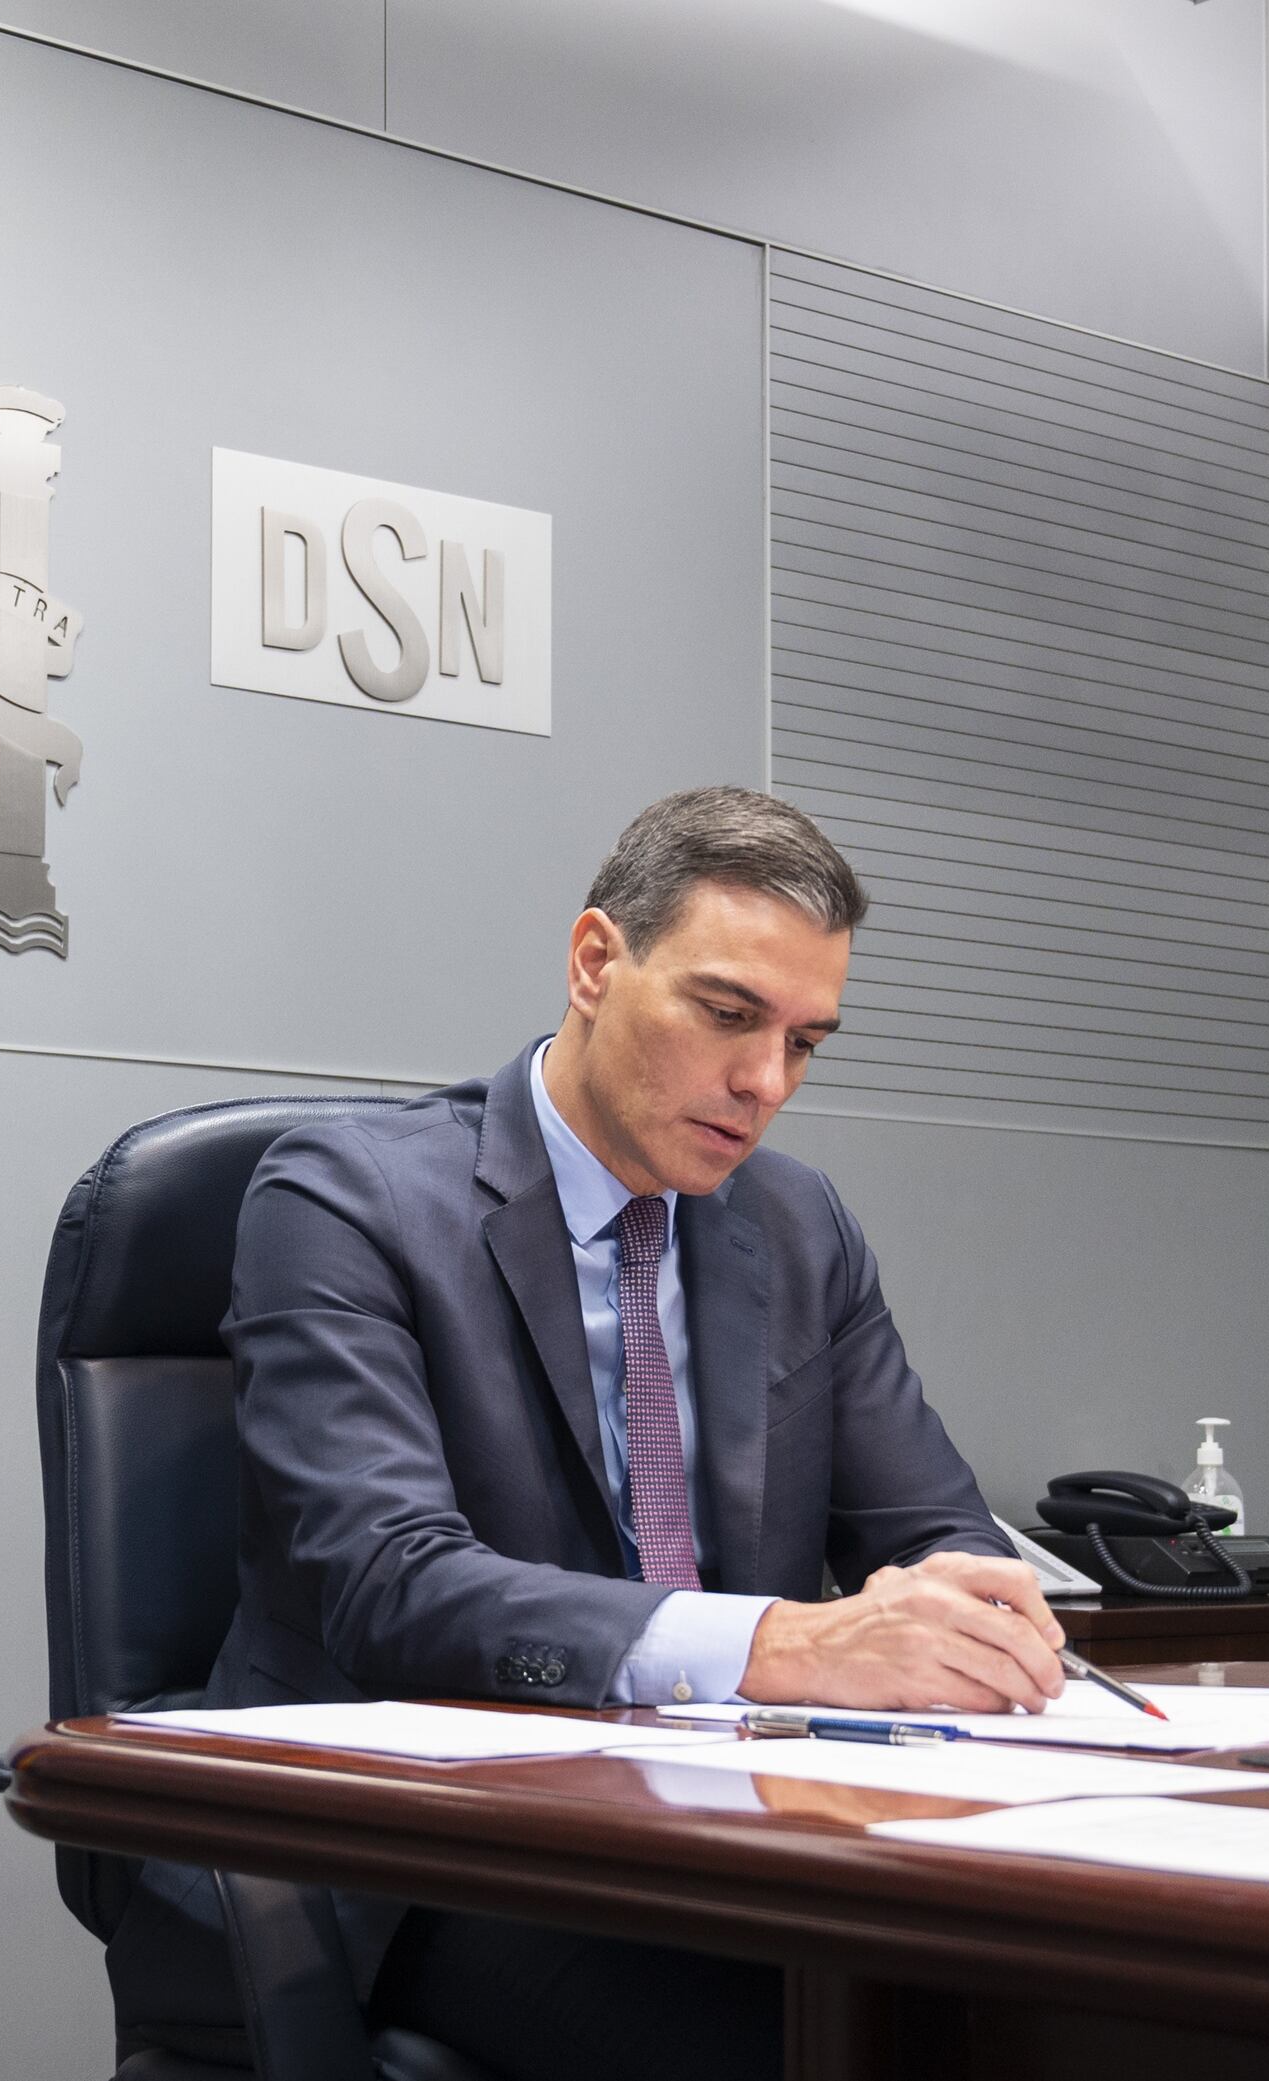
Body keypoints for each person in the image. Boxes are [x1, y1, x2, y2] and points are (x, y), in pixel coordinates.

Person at [206, 785, 1062, 2081]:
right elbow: (388, 1584)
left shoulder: (798, 1226)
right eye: (727, 1015)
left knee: (1065, 2000)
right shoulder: (345, 1198)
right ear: (596, 963)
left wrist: (977, 1620)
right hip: (436, 1857)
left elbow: (934, 1531)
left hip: (737, 1833)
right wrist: (785, 1644)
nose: (765, 1083)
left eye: (805, 1042)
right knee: (851, 2045)